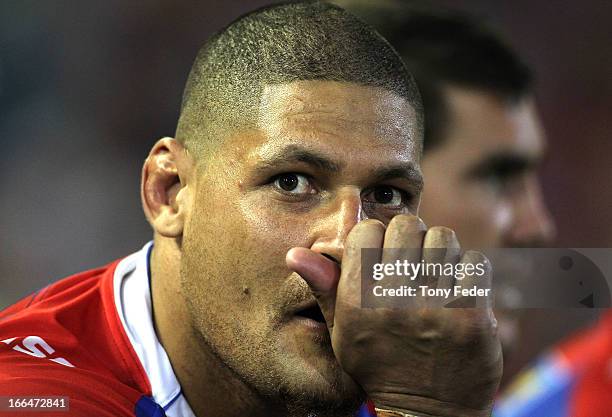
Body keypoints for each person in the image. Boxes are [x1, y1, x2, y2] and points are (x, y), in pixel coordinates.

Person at [0, 2, 502, 417]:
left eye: (387, 195)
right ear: (169, 191)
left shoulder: (414, 360)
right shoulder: (33, 392)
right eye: (292, 182)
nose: (349, 242)